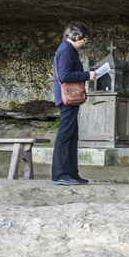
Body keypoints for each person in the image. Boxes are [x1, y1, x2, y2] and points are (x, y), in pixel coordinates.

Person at [52, 22, 96, 185]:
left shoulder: (69, 50)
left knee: (71, 135)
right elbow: (64, 76)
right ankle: (60, 174)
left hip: (70, 98)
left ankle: (71, 173)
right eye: (84, 39)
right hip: (67, 98)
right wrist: (87, 74)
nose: (85, 43)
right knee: (65, 136)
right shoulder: (66, 50)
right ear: (76, 36)